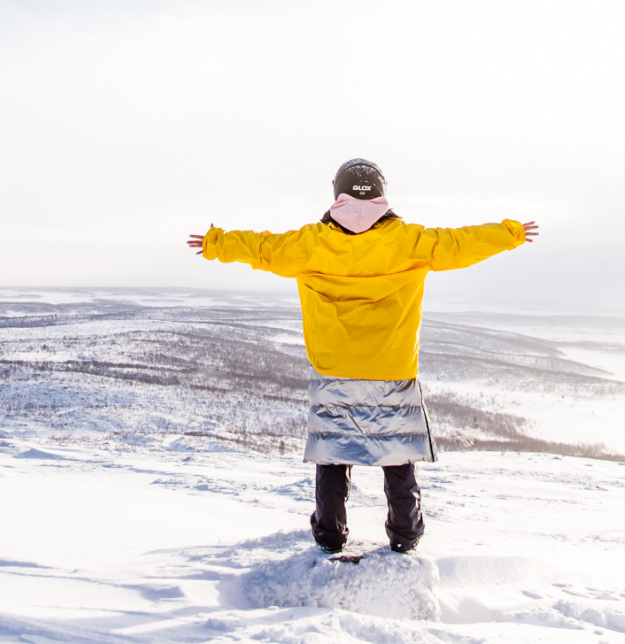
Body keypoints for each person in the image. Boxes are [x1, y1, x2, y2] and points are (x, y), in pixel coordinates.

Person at [188, 157, 538, 555]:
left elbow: (263, 248)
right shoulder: (408, 241)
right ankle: (405, 536)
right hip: (392, 368)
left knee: (334, 456)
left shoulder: (311, 243)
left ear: (336, 191)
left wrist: (216, 243)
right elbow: (460, 243)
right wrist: (509, 234)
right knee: (398, 456)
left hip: (335, 370)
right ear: (382, 193)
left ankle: (330, 535)